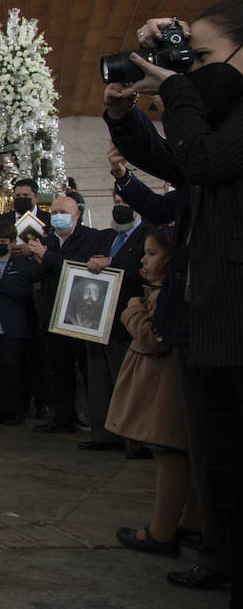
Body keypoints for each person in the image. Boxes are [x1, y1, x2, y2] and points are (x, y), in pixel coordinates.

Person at [100, 5, 243, 609]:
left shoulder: (220, 125)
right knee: (217, 461)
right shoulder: (208, 119)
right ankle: (222, 570)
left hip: (227, 313)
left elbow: (201, 159)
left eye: (204, 59)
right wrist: (126, 114)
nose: (191, 74)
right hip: (210, 315)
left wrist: (177, 85)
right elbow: (176, 163)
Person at [105, 226, 197, 558]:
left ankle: (161, 533)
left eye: (152, 254)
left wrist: (132, 309)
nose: (144, 260)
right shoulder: (160, 290)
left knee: (169, 454)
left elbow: (152, 339)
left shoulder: (163, 296)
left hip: (165, 386)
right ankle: (188, 523)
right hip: (166, 382)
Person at [22, 195, 102, 434]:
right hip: (52, 313)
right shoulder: (46, 240)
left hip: (80, 315)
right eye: (54, 212)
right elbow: (32, 273)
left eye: (63, 212)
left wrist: (46, 257)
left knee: (86, 369)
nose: (57, 216)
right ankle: (62, 418)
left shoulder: (90, 238)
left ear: (77, 215)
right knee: (58, 369)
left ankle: (94, 418)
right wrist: (41, 258)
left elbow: (78, 265)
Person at [79, 194, 148, 452]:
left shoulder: (147, 235)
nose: (121, 207)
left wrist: (111, 265)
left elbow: (144, 272)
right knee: (99, 380)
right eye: (117, 201)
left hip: (128, 319)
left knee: (127, 381)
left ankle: (135, 440)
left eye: (126, 202)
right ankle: (104, 435)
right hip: (97, 319)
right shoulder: (105, 236)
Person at [0, 220, 40, 425]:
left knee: (13, 367)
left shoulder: (22, 265)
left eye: (4, 241)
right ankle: (3, 408)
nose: (0, 243)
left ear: (12, 242)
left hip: (13, 325)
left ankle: (17, 409)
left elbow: (22, 294)